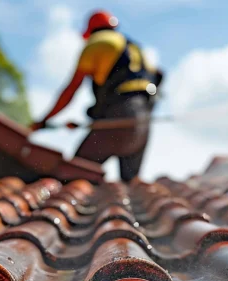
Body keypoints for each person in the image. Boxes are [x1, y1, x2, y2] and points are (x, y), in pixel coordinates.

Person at [31, 10, 163, 181]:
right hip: (143, 121)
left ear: (91, 30)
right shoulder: (132, 46)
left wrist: (44, 120)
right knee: (131, 185)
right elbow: (158, 75)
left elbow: (71, 89)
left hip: (119, 116)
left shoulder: (97, 43)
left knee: (72, 176)